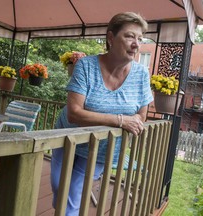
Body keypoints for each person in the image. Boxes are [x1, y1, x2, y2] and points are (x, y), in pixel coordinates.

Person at [50, 12, 153, 215]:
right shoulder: (86, 66)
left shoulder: (141, 74)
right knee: (58, 185)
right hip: (67, 137)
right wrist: (120, 120)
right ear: (110, 38)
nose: (136, 44)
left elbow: (141, 115)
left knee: (73, 192)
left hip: (102, 147)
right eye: (130, 36)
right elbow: (74, 113)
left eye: (140, 39)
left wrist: (129, 122)